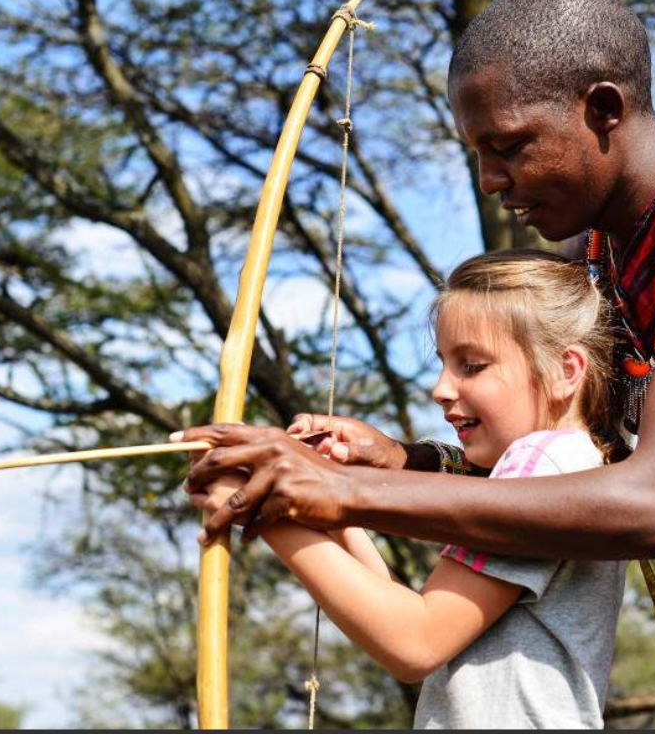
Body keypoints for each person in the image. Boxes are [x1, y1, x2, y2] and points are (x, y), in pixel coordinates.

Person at [175, 0, 655, 727]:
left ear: (603, 109)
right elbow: (575, 458)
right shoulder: (595, 263)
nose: (489, 180)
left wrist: (337, 495)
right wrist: (400, 463)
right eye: (477, 154)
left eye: (507, 147)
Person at [192, 249, 626, 728]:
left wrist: (263, 507)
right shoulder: (568, 465)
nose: (441, 388)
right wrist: (323, 508)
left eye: (473, 365)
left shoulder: (543, 462)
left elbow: (414, 642)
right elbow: (407, 615)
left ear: (566, 371)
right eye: (444, 363)